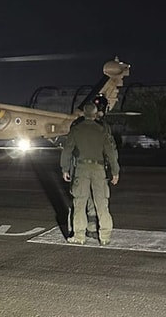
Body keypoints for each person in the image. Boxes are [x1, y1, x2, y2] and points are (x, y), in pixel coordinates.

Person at [61, 102, 120, 245]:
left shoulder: (76, 130)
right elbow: (111, 152)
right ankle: (105, 236)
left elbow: (67, 150)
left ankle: (79, 236)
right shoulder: (102, 130)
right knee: (102, 203)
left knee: (80, 202)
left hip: (82, 168)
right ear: (95, 114)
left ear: (83, 114)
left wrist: (65, 168)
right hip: (99, 169)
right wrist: (115, 171)